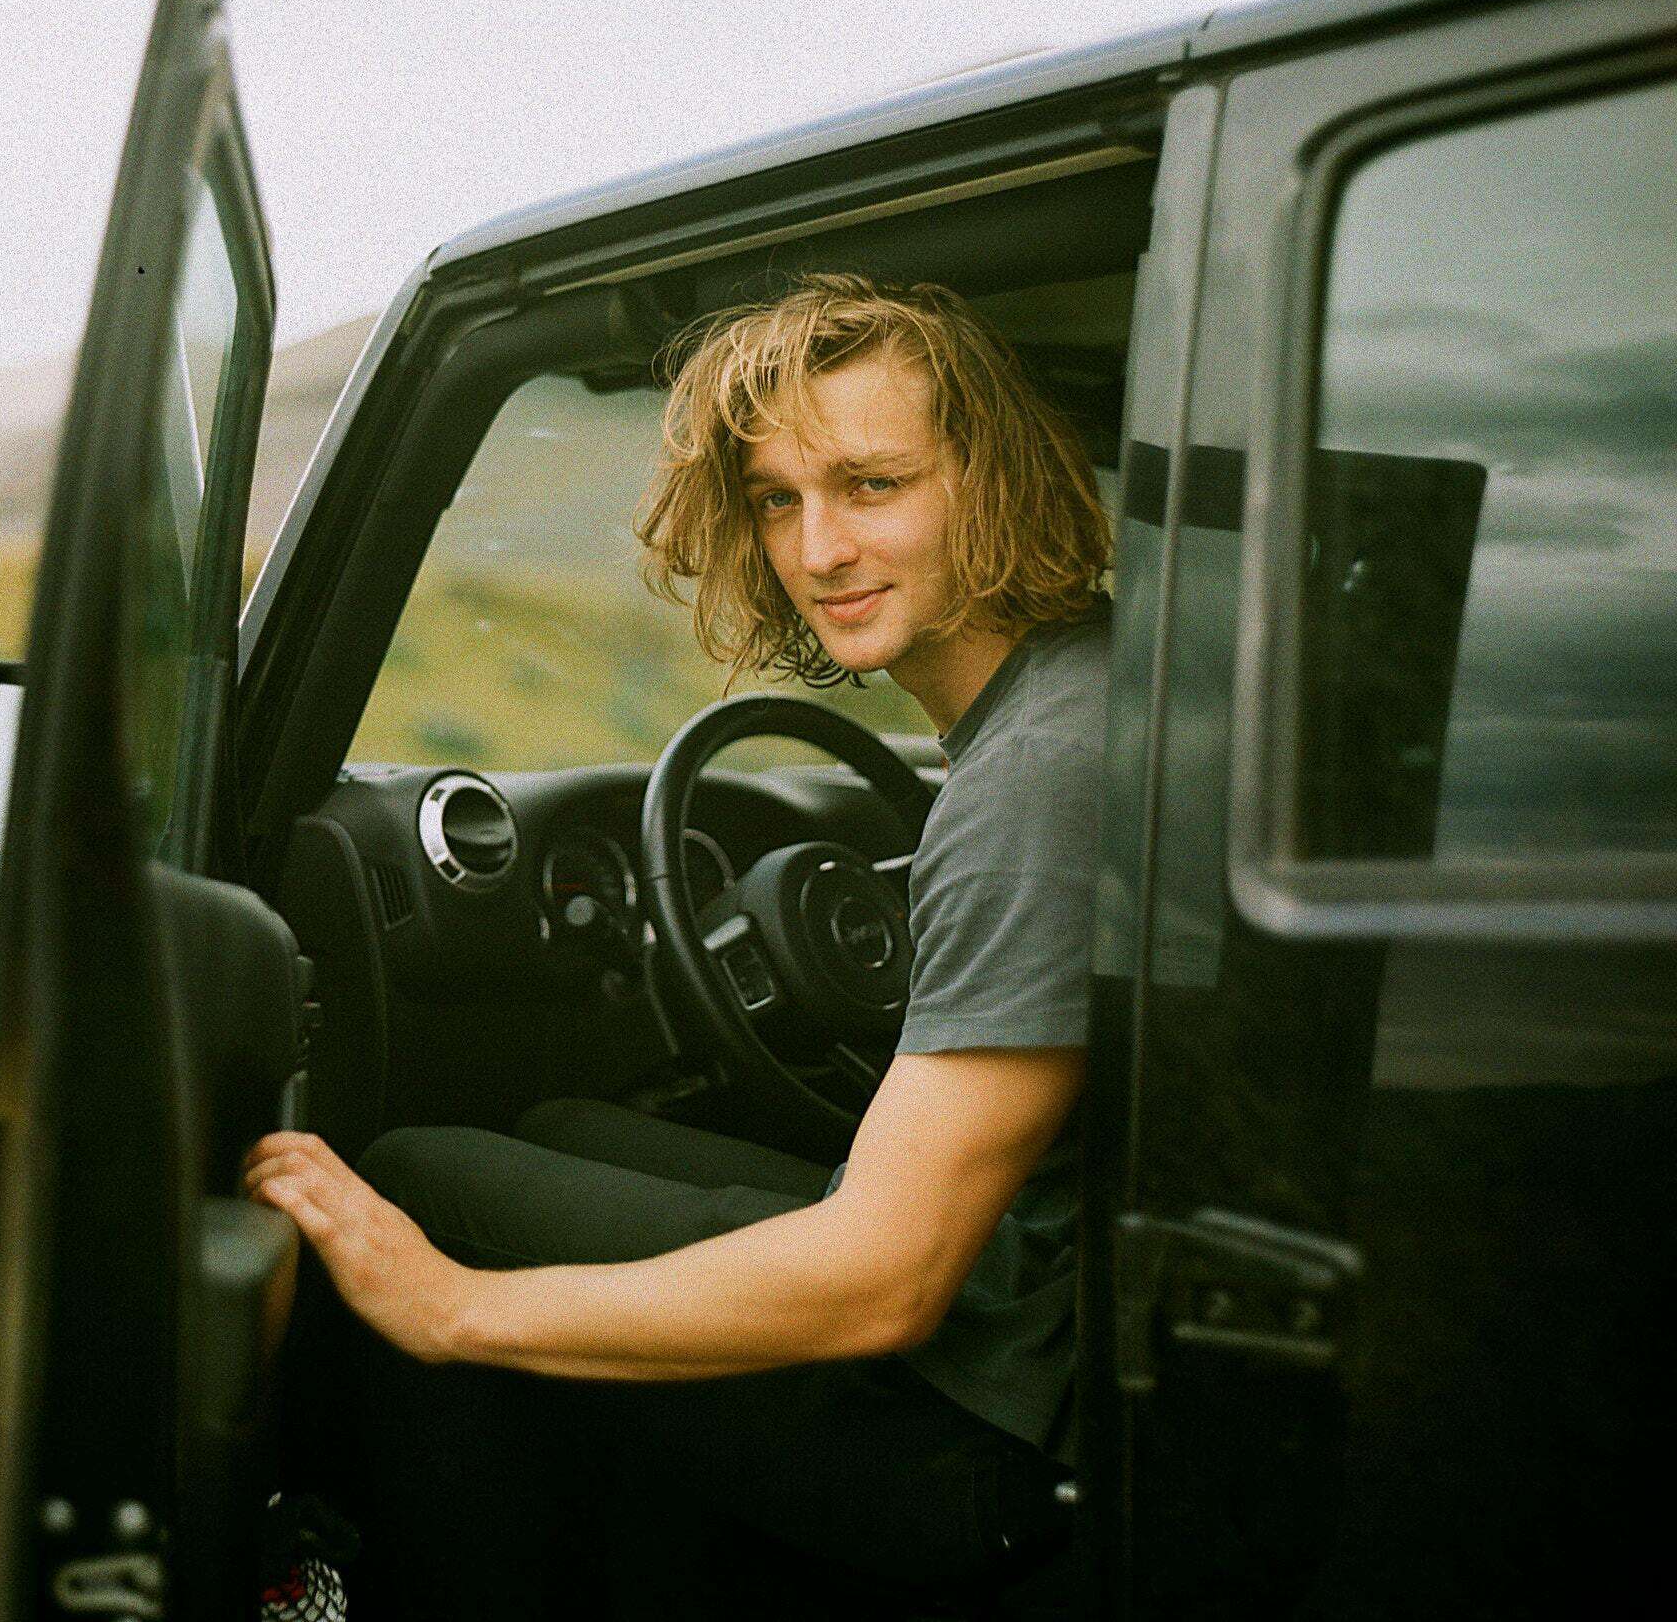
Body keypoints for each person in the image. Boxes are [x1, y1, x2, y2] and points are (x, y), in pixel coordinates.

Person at [247, 273, 1113, 1617]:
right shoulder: (1076, 693)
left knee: (420, 1180)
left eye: (873, 486)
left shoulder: (1038, 779)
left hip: (989, 1438)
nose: (818, 550)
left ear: (993, 481)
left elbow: (883, 1280)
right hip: (1043, 1321)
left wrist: (450, 1311)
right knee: (566, 1120)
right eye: (777, 498)